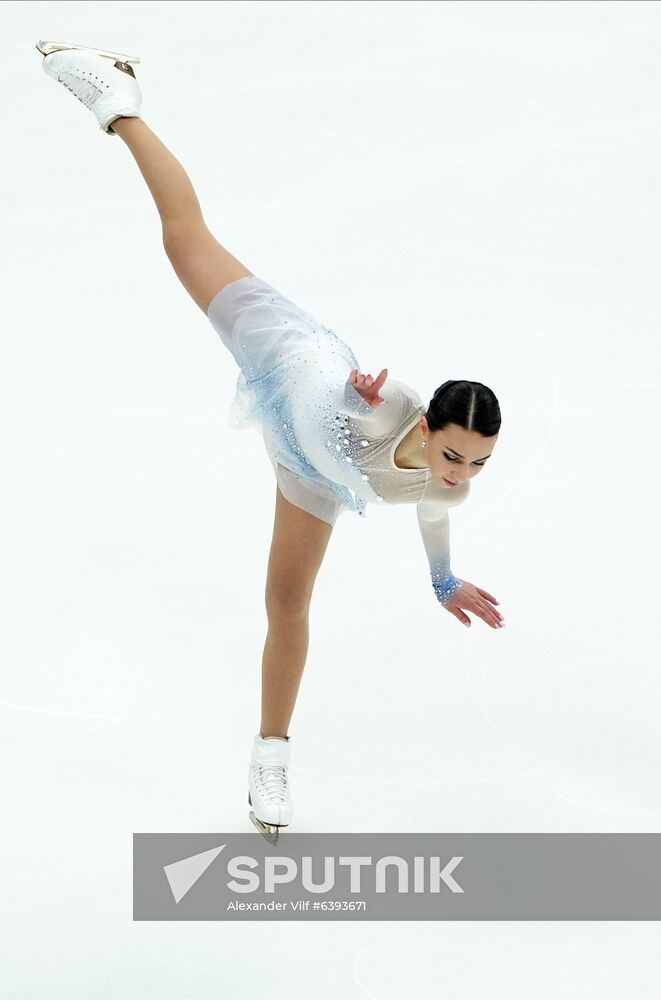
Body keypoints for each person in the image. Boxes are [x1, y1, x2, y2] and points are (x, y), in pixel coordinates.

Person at [36, 42, 505, 841]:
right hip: (294, 364)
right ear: (427, 426)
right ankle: (114, 99)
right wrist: (365, 398)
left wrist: (442, 582)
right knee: (182, 239)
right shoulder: (392, 406)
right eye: (452, 453)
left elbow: (434, 518)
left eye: (474, 464)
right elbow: (376, 398)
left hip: (306, 467)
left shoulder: (439, 483)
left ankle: (271, 759)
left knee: (285, 604)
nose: (458, 474)